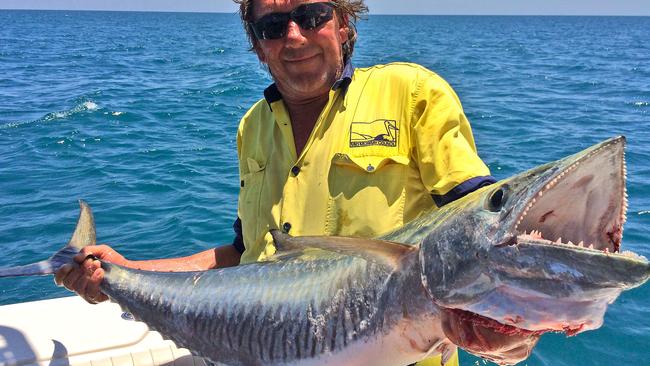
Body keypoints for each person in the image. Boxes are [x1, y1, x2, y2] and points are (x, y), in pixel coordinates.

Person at [56, 1, 535, 365]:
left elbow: (482, 229)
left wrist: (514, 324)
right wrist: (123, 272)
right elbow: (242, 257)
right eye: (272, 27)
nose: (295, 37)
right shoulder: (252, 127)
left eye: (312, 16)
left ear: (343, 23)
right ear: (258, 45)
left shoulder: (411, 93)